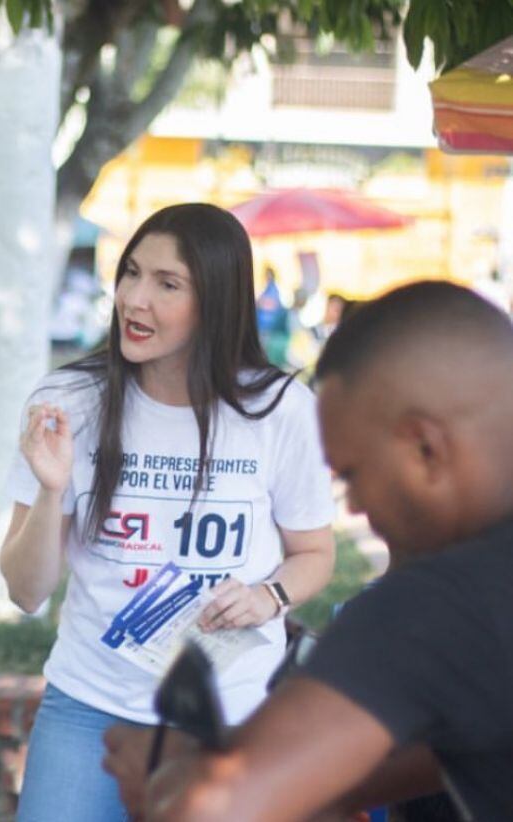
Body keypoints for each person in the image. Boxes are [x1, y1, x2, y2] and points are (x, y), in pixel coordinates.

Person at [2, 203, 336, 821]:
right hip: (89, 709)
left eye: (167, 284)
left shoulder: (280, 410)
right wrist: (51, 492)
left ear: (217, 301)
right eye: (131, 273)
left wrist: (271, 597)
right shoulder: (68, 402)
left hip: (229, 714)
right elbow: (26, 592)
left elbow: (315, 554)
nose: (135, 299)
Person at [134, 281, 513, 821]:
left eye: (353, 474)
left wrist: (161, 781)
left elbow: (210, 811)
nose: (356, 507)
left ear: (426, 448)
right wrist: (333, 787)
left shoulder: (441, 604)